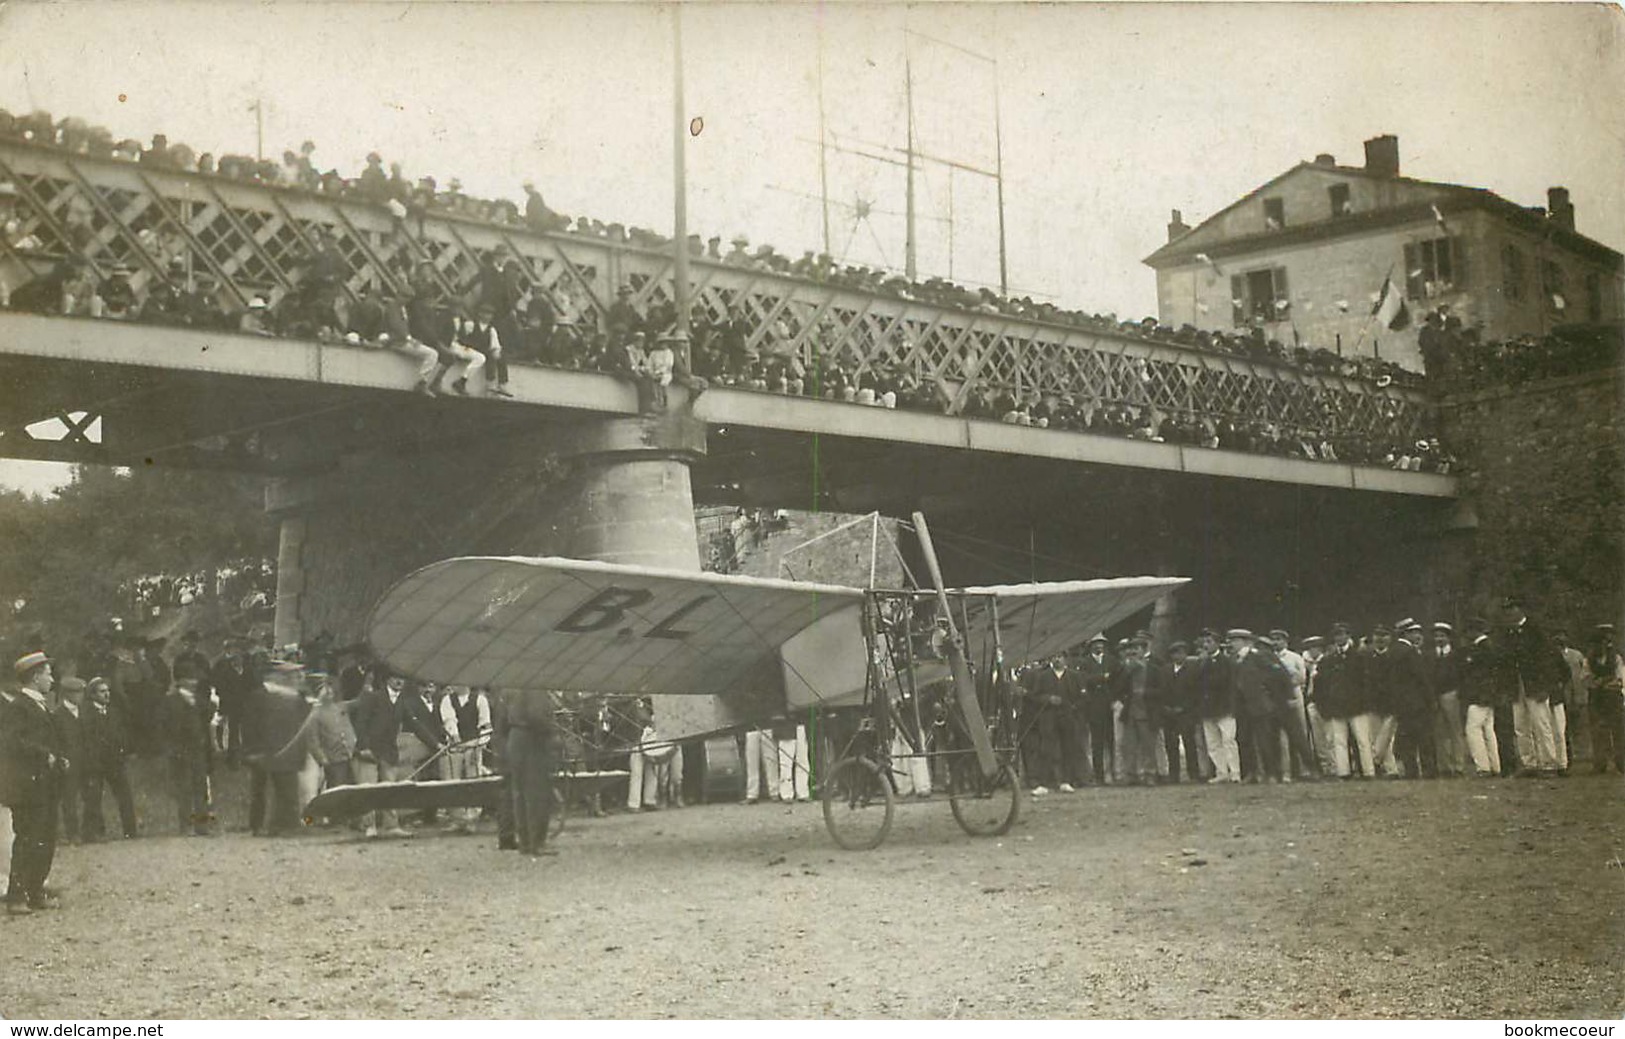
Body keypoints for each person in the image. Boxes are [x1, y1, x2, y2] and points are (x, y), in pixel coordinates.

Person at [2, 652, 68, 914]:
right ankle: (17, 896)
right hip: (27, 788)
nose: (52, 679)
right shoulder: (18, 707)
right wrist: (44, 754)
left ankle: (35, 890)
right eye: (49, 674)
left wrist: (60, 757)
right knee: (28, 838)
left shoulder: (41, 705)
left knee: (45, 838)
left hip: (45, 785)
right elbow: (12, 742)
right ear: (35, 676)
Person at [1500, 597, 1563, 776]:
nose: (1509, 612)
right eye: (1506, 609)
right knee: (1520, 727)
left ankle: (1549, 763)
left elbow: (1547, 660)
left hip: (1535, 685)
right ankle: (1529, 764)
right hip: (1517, 686)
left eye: (1512, 608)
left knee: (1542, 724)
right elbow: (1506, 663)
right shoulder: (1509, 633)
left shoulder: (1536, 630)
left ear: (1521, 609)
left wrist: (1546, 686)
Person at [350, 672, 411, 839]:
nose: (399, 681)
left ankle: (391, 826)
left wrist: (436, 744)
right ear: (387, 679)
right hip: (368, 752)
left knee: (390, 789)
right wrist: (364, 746)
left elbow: (415, 723)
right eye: (395, 677)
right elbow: (361, 723)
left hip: (388, 752)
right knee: (368, 789)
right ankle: (369, 826)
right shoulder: (372, 697)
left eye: (402, 678)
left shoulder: (402, 702)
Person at [78, 677, 137, 840]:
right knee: (93, 797)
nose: (107, 695)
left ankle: (130, 831)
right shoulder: (85, 714)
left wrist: (123, 751)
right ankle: (92, 833)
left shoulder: (114, 712)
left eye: (108, 691)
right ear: (92, 695)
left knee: (125, 795)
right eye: (102, 692)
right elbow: (87, 740)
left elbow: (122, 734)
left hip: (115, 762)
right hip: (95, 763)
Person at [504, 688, 559, 857]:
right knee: (538, 793)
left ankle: (526, 843)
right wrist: (554, 730)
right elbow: (537, 717)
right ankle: (538, 843)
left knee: (519, 794)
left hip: (515, 738)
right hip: (532, 741)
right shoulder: (536, 686)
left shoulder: (515, 686)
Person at [160, 676, 213, 836]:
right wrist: (170, 747)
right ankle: (186, 825)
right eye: (190, 679)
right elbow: (163, 725)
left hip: (197, 749)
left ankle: (201, 825)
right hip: (180, 749)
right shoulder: (170, 701)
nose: (194, 682)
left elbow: (211, 710)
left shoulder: (198, 700)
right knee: (185, 788)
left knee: (200, 787)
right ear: (182, 682)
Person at [438, 684, 490, 832]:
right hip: (455, 745)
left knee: (474, 780)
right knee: (452, 780)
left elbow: (485, 725)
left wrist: (480, 745)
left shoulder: (480, 700)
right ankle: (457, 819)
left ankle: (471, 820)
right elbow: (449, 720)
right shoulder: (447, 700)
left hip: (474, 744)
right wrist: (454, 735)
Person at [1458, 618, 1503, 777]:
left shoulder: (1481, 649)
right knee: (1488, 730)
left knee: (1473, 729)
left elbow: (1481, 674)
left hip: (1480, 695)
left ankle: (1483, 767)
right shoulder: (1488, 646)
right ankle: (1494, 765)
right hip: (1488, 695)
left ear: (1473, 631)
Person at [1195, 629, 1239, 783]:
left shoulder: (1227, 662)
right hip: (1208, 708)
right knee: (1213, 743)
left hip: (1224, 707)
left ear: (1217, 643)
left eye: (1209, 642)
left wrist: (1232, 707)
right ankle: (1222, 772)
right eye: (1205, 642)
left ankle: (1235, 773)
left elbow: (1231, 685)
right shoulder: (1202, 662)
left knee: (1228, 741)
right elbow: (1198, 685)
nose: (1206, 645)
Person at [1426, 623, 1466, 777]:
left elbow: (1461, 676)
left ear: (1449, 637)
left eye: (1442, 635)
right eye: (1436, 636)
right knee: (1439, 732)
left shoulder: (1456, 655)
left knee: (1455, 731)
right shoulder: (1429, 655)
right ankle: (1444, 766)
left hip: (1451, 694)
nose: (1439, 639)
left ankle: (1459, 766)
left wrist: (1459, 694)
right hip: (1435, 695)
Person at [1584, 625, 1624, 774]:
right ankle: (1600, 763)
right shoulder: (1589, 659)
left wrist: (1604, 682)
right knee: (1597, 731)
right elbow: (1586, 678)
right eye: (1601, 641)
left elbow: (1620, 679)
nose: (1605, 645)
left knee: (1618, 731)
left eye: (1607, 641)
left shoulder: (1616, 658)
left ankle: (1621, 762)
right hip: (1596, 699)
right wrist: (1597, 682)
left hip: (1613, 698)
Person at [50, 677, 84, 843]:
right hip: (68, 762)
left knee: (92, 795)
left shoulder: (84, 712)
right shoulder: (57, 715)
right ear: (67, 694)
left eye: (81, 692)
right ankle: (73, 833)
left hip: (86, 761)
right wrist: (62, 758)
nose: (80, 696)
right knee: (69, 798)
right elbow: (55, 740)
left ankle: (91, 830)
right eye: (77, 692)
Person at [1079, 635, 1116, 786]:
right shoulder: (1085, 662)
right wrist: (1102, 677)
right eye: (1096, 643)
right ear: (1091, 646)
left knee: (1112, 741)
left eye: (1101, 643)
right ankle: (1099, 775)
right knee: (1097, 743)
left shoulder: (1111, 660)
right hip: (1094, 707)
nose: (1099, 646)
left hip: (1110, 705)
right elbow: (1085, 680)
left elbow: (1117, 679)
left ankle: (1113, 773)